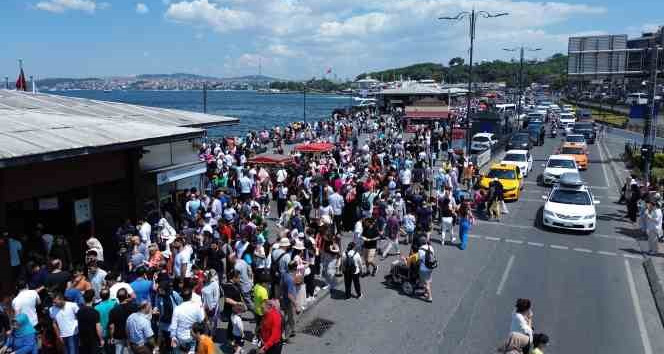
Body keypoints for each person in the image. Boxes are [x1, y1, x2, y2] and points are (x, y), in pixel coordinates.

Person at [169, 287, 205, 354]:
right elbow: (201, 320)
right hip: (192, 336)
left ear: (182, 297)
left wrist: (173, 337)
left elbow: (173, 326)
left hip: (180, 337)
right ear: (191, 296)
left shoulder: (177, 309)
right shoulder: (197, 306)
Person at [108, 288, 137, 354]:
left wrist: (112, 337)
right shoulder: (134, 307)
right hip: (132, 335)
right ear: (127, 296)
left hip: (118, 336)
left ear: (117, 298)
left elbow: (111, 326)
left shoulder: (113, 310)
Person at [77, 290, 103, 354]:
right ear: (93, 298)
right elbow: (98, 328)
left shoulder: (79, 311)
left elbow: (79, 325)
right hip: (93, 340)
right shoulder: (95, 312)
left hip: (83, 340)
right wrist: (101, 339)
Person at [94, 288, 117, 354]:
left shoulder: (96, 307)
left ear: (100, 296)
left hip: (102, 333)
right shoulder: (114, 304)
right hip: (113, 331)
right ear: (109, 295)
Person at [281, 261, 298, 341]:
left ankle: (292, 330)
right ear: (294, 269)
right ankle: (286, 337)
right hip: (289, 302)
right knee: (289, 318)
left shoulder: (285, 274)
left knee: (288, 317)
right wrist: (296, 305)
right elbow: (290, 295)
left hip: (284, 299)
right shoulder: (290, 279)